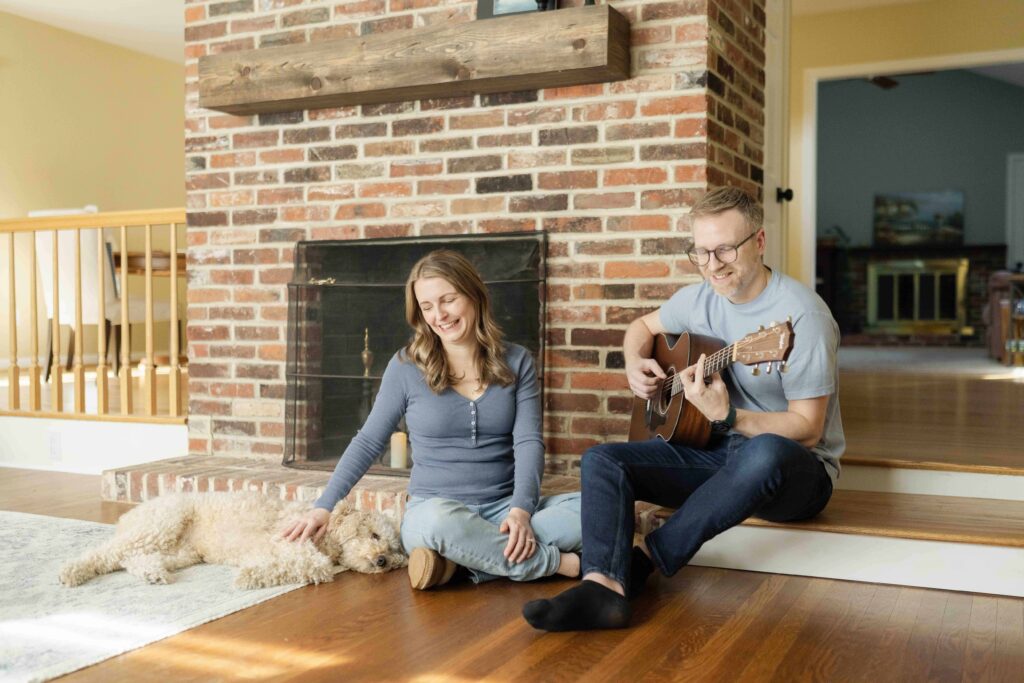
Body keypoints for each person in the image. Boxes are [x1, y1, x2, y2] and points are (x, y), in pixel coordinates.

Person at [523, 187, 844, 631]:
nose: (713, 265)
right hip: (718, 455)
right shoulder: (698, 300)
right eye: (701, 252)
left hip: (796, 472)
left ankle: (642, 562)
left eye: (726, 249)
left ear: (760, 241)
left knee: (764, 451)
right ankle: (602, 587)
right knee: (603, 460)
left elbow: (808, 429)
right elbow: (641, 327)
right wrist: (635, 362)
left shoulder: (802, 315)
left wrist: (729, 417)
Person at [282, 249, 582, 589]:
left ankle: (463, 562)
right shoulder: (405, 366)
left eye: (448, 300)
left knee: (599, 508)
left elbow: (528, 442)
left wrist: (520, 512)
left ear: (473, 294)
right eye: (427, 307)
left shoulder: (518, 361)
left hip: (503, 511)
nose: (439, 315)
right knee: (440, 524)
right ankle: (551, 563)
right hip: (435, 512)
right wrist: (323, 507)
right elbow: (368, 441)